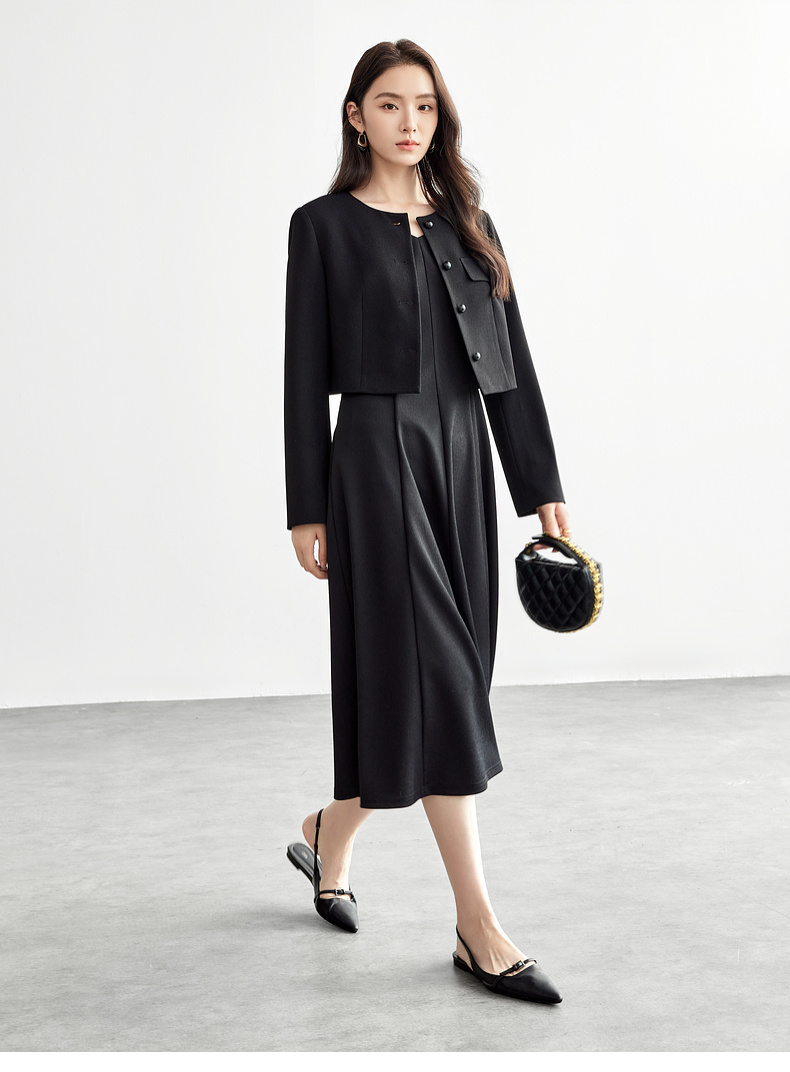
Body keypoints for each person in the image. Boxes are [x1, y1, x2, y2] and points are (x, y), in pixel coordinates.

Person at [283, 39, 570, 1005]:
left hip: (463, 467)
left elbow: (510, 368)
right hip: (373, 463)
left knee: (444, 684)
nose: (410, 122)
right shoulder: (321, 227)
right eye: (390, 104)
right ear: (356, 115)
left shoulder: (470, 226)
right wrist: (305, 505)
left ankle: (329, 833)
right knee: (441, 682)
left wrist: (540, 486)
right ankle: (477, 928)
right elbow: (300, 375)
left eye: (426, 107)